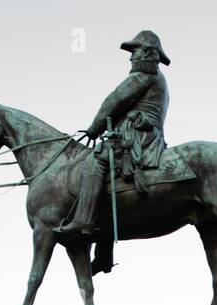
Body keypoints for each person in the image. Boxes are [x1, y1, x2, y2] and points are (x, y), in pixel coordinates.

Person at [55, 30, 171, 238]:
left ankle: (83, 221)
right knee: (108, 180)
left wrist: (94, 128)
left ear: (145, 52)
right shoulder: (156, 77)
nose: (131, 56)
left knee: (95, 162)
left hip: (137, 135)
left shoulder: (144, 75)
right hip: (146, 133)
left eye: (134, 51)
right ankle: (104, 254)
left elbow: (114, 101)